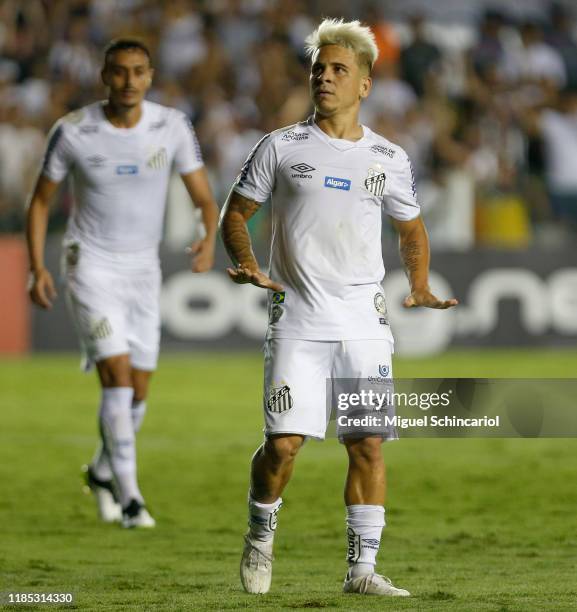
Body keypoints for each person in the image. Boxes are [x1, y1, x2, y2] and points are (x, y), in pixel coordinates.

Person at [220, 18, 457, 596]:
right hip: (298, 318)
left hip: (363, 321)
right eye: (319, 70)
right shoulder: (280, 146)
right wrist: (249, 261)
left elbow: (412, 229)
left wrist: (419, 282)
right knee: (282, 446)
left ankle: (361, 572)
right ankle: (260, 532)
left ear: (365, 86)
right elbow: (235, 214)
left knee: (368, 443)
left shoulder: (388, 157)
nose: (324, 78)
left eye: (338, 70)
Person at [26, 39, 219, 528]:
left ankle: (100, 470)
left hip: (142, 270)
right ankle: (132, 498)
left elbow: (203, 197)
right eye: (118, 72)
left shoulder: (171, 125)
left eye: (138, 72)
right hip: (90, 264)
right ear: (104, 77)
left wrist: (208, 238)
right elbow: (41, 202)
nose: (129, 81)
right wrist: (38, 266)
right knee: (115, 376)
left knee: (137, 391)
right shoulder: (73, 131)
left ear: (150, 76)